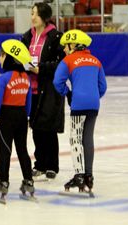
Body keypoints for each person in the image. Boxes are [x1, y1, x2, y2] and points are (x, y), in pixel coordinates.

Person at [53, 29, 107, 192]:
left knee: (76, 139)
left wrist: (68, 94)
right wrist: (94, 96)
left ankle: (79, 176)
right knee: (88, 138)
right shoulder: (95, 60)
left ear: (73, 45)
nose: (63, 49)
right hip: (93, 104)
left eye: (65, 46)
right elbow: (103, 86)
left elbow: (57, 82)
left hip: (79, 104)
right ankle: (89, 176)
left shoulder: (68, 60)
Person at [21, 2, 65, 179]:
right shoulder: (26, 37)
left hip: (49, 88)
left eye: (36, 14)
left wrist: (41, 68)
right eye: (31, 14)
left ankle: (51, 165)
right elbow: (19, 58)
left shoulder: (56, 37)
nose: (32, 17)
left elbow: (62, 63)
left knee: (49, 128)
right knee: (36, 127)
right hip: (30, 90)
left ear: (45, 17)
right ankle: (39, 164)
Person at [0, 39, 34, 200]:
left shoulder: (4, 78)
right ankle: (29, 181)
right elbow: (29, 101)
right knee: (23, 150)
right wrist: (28, 116)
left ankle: (4, 183)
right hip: (22, 117)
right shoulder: (26, 78)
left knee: (5, 151)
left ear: (9, 58)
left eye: (1, 56)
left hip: (7, 117)